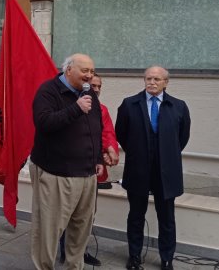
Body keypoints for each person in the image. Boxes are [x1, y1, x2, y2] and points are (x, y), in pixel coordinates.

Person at [31, 53, 104, 270]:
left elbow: (96, 127)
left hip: (87, 173)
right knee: (49, 229)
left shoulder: (89, 92)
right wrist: (76, 108)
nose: (89, 76)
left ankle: (75, 266)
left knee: (81, 228)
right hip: (57, 173)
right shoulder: (48, 91)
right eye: (85, 71)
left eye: (92, 71)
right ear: (69, 69)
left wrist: (98, 157)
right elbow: (44, 123)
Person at [115, 66, 191, 270]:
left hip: (166, 171)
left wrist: (166, 154)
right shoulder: (129, 104)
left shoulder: (178, 106)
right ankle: (134, 256)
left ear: (166, 82)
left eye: (157, 79)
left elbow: (182, 139)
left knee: (166, 218)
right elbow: (121, 134)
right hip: (138, 169)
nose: (152, 82)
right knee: (136, 215)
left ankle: (166, 258)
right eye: (148, 78)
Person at [58, 72, 119, 267]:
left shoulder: (102, 110)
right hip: (70, 171)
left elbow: (108, 134)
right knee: (66, 215)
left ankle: (80, 252)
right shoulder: (72, 108)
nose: (97, 90)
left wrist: (110, 150)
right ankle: (64, 252)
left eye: (99, 86)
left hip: (92, 171)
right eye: (93, 86)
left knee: (86, 215)